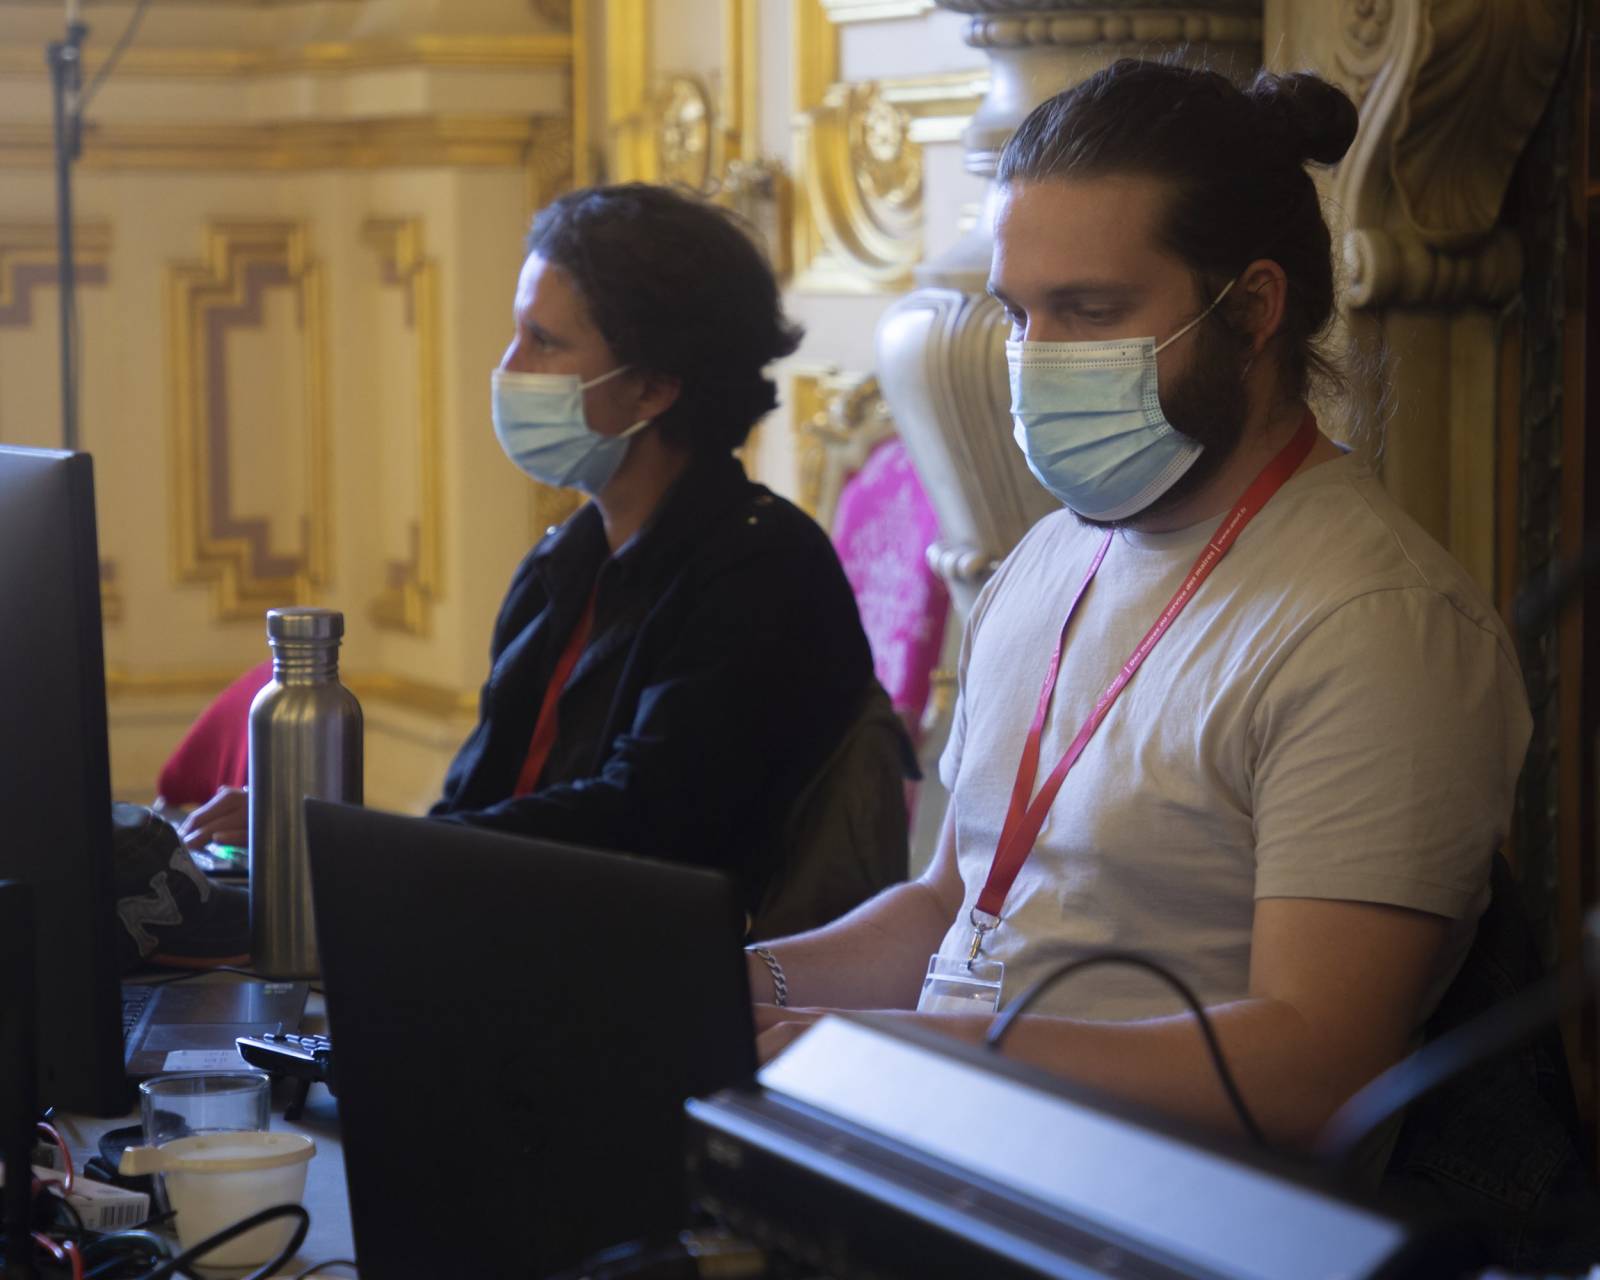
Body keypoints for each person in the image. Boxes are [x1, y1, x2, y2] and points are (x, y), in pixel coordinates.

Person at [748, 58, 1534, 1161]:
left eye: (1090, 311)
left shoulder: (1377, 623)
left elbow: (1316, 1063)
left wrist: (941, 1052)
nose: (1032, 360)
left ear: (1252, 308)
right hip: (953, 1153)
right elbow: (951, 912)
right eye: (1018, 313)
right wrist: (746, 979)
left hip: (1152, 1218)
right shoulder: (1048, 555)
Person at [180, 184, 903, 925]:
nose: (508, 366)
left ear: (652, 387)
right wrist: (333, 845)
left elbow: (641, 826)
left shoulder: (764, 570)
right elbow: (478, 804)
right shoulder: (568, 558)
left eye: (545, 342)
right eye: (517, 333)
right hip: (518, 941)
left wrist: (340, 845)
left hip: (657, 984)